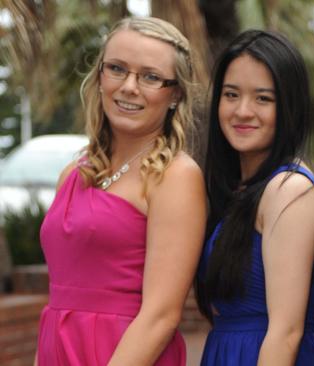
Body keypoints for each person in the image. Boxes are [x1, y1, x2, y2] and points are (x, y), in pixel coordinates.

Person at [36, 17, 206, 365]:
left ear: (174, 94)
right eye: (117, 69)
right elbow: (56, 302)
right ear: (99, 77)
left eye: (150, 76)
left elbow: (161, 315)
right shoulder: (73, 172)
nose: (129, 86)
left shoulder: (176, 176)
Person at [195, 30, 314, 366]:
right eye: (231, 95)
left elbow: (285, 332)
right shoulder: (238, 190)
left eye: (263, 99)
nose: (242, 111)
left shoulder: (289, 190)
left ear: (289, 107)